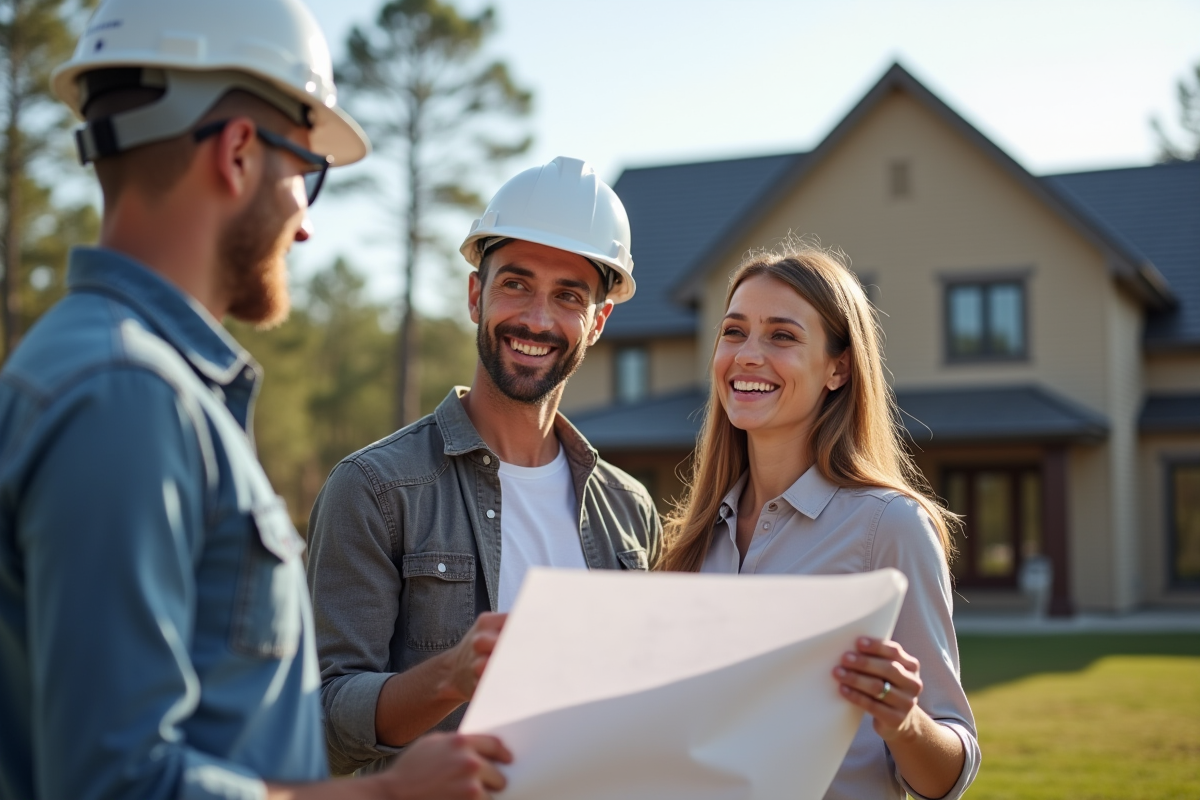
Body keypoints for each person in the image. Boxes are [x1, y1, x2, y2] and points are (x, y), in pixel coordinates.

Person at [0, 1, 510, 798]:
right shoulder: (128, 398)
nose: (304, 226)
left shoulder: (118, 379)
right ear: (239, 152)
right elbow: (115, 783)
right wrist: (384, 793)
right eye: (306, 174)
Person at [306, 156, 662, 775]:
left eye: (568, 297)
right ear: (477, 295)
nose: (536, 319)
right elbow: (323, 725)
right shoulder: (376, 490)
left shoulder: (629, 512)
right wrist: (451, 676)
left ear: (598, 322)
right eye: (515, 284)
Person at [658, 242, 981, 800]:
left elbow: (947, 777)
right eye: (734, 332)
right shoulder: (692, 540)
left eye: (782, 336)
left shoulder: (890, 527)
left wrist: (903, 722)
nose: (748, 355)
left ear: (838, 368)